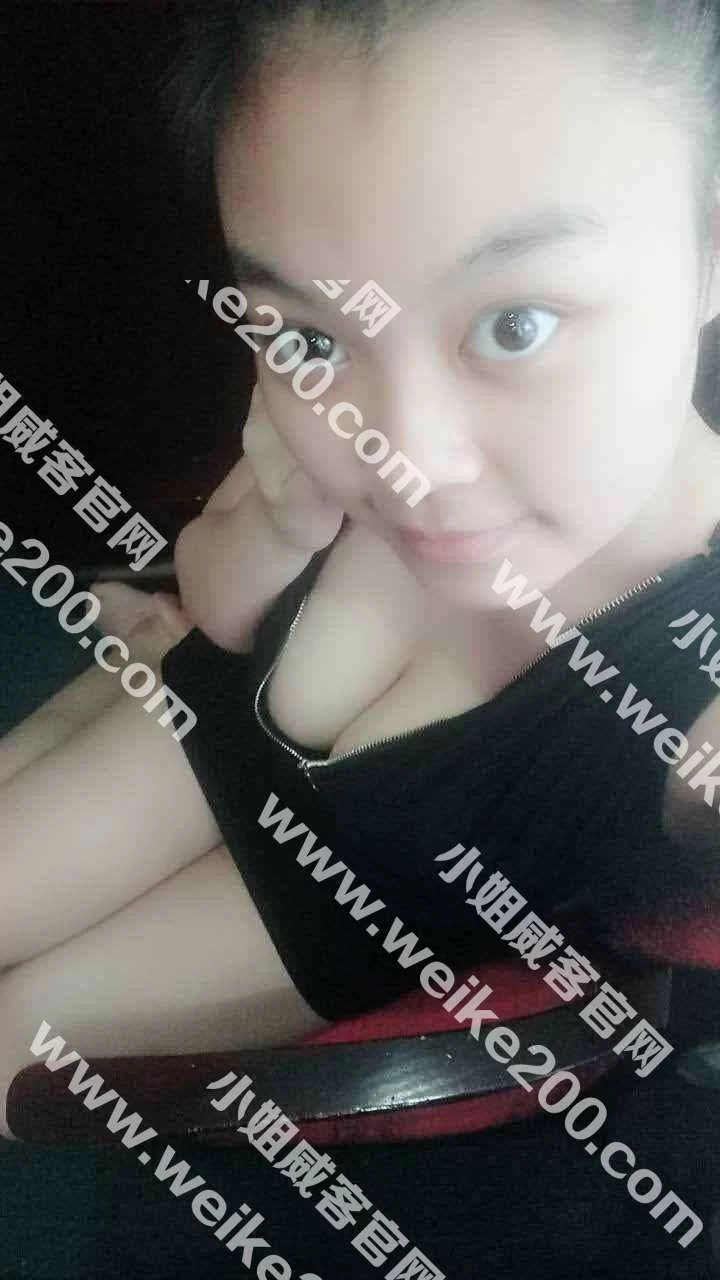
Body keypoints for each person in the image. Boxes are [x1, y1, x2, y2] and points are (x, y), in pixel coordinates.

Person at [2, 1, 720, 1273]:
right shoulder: (328, 407)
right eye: (310, 332)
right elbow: (229, 611)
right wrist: (278, 522)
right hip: (202, 728)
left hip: (311, 911)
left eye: (516, 323)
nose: (407, 458)